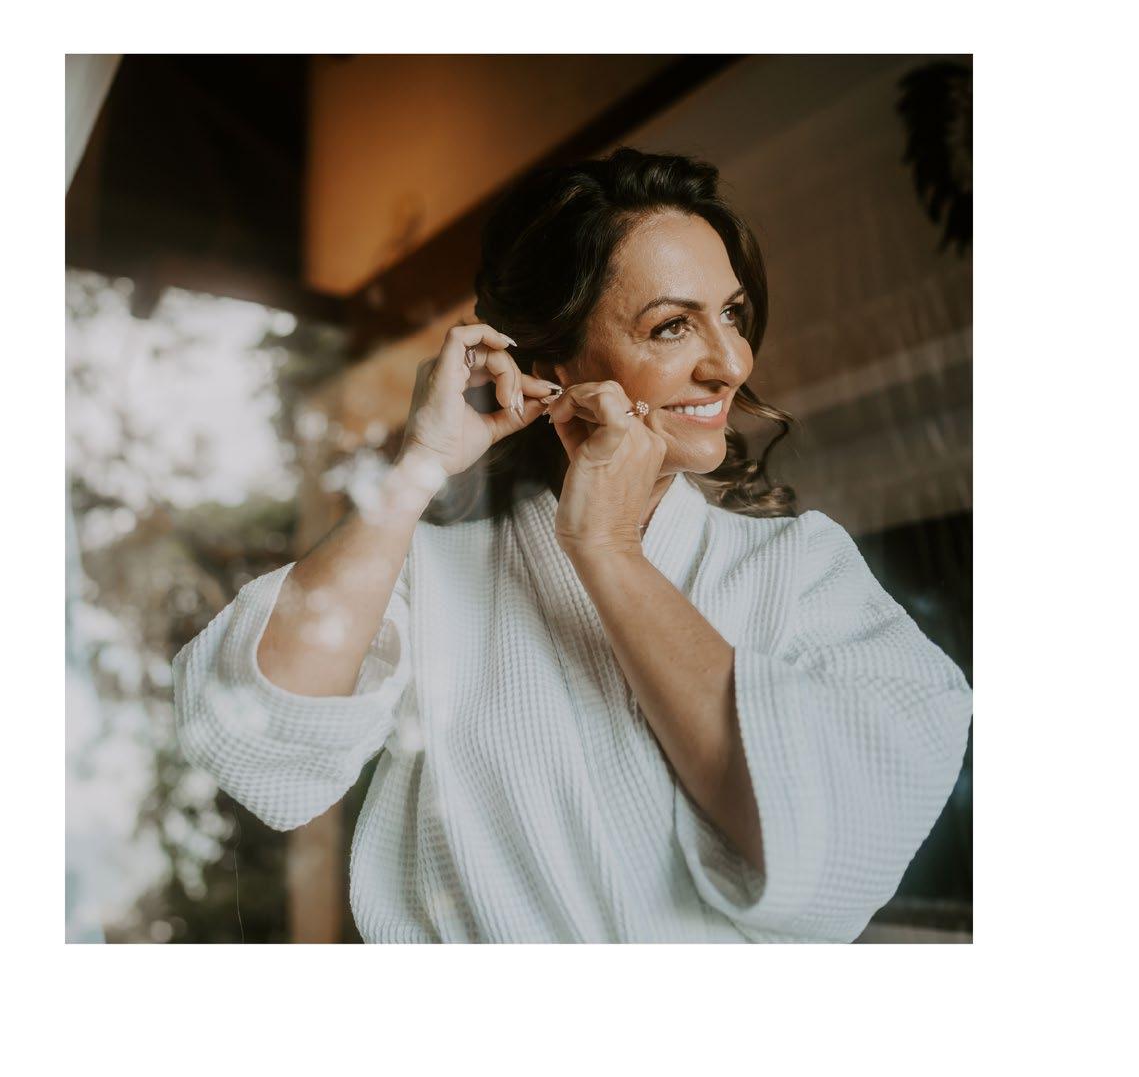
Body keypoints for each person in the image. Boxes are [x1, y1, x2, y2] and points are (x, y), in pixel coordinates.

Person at [172, 147, 973, 943]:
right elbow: (254, 735)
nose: (731, 362)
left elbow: (836, 835)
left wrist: (608, 546)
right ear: (555, 361)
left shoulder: (800, 567)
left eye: (732, 313)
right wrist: (420, 464)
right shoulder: (435, 576)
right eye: (671, 326)